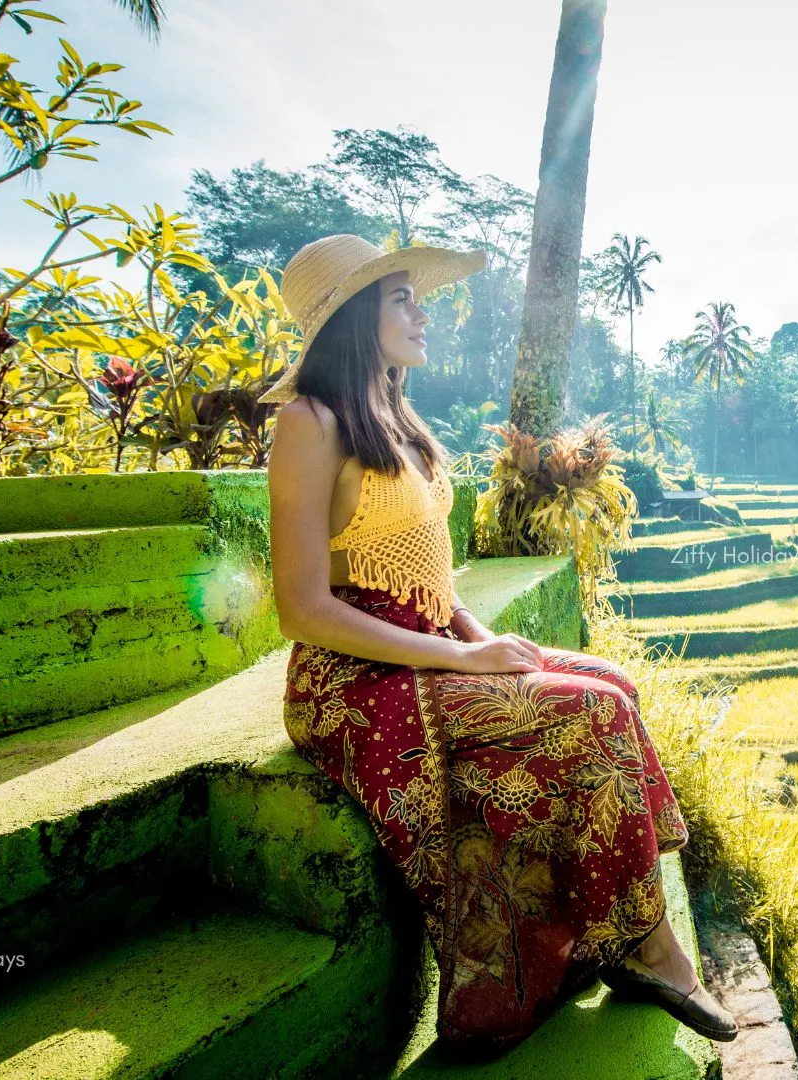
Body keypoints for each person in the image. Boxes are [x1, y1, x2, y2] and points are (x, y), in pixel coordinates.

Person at [261, 234, 737, 1052]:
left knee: (609, 683)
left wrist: (485, 639)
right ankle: (648, 948)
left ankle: (610, 930)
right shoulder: (309, 422)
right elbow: (301, 609)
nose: (421, 314)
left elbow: (429, 580)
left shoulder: (394, 418)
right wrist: (460, 658)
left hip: (430, 643)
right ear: (351, 318)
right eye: (400, 298)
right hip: (351, 680)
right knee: (589, 714)